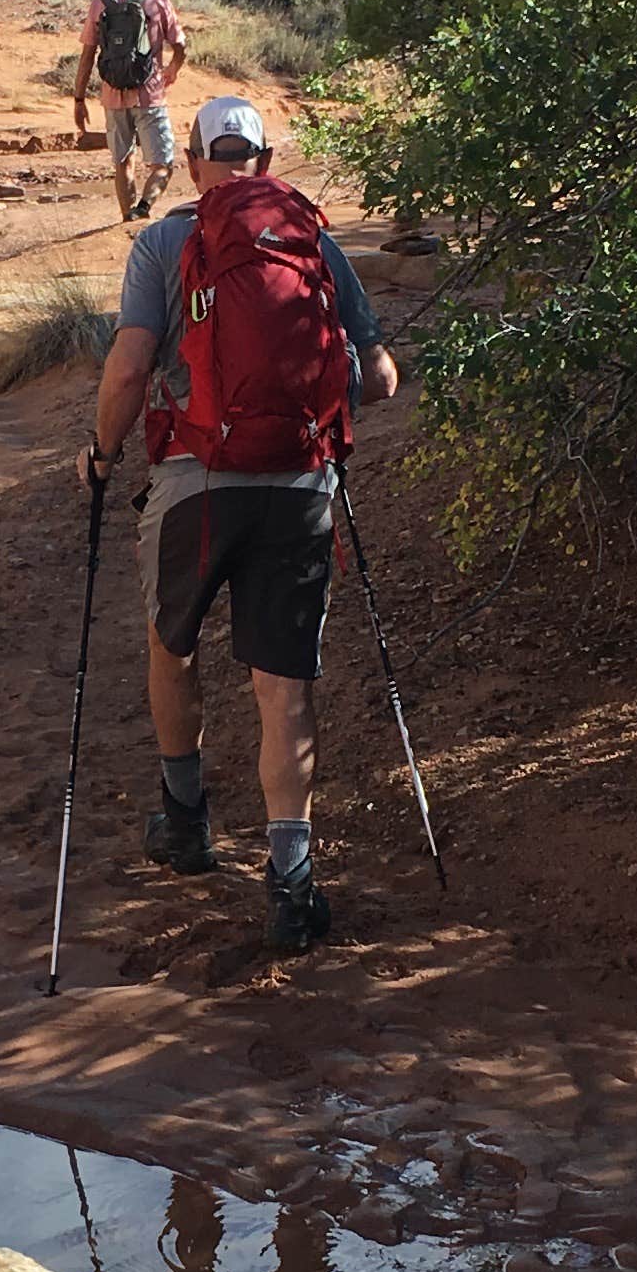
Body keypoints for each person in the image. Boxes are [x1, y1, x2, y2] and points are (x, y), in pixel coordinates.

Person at [82, 96, 403, 955]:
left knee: (170, 644)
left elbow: (127, 367)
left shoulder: (162, 242)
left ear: (191, 165)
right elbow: (381, 378)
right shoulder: (317, 242)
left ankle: (185, 823)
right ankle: (291, 886)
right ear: (264, 161)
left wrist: (102, 455)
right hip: (299, 485)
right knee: (283, 688)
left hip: (197, 484)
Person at [71, 0, 187, 227]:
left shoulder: (100, 4)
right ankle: (144, 207)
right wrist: (173, 68)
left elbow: (87, 55)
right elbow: (180, 44)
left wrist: (78, 99)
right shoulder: (156, 0)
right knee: (162, 164)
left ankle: (128, 219)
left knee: (123, 162)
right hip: (149, 93)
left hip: (113, 94)